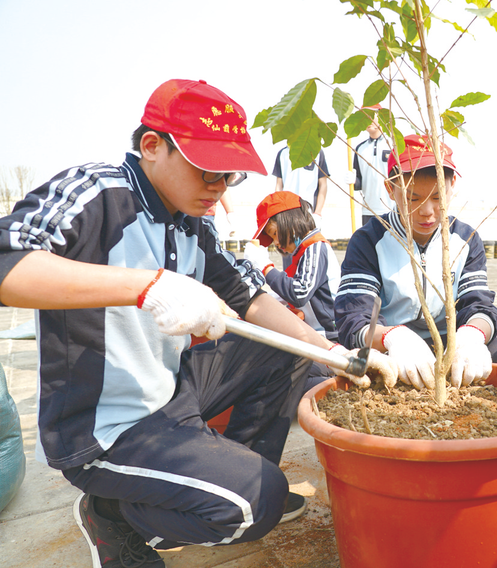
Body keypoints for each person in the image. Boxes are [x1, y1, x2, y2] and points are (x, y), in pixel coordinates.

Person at [0, 78, 394, 568]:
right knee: (257, 503)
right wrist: (145, 285)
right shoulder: (97, 194)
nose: (219, 188)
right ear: (152, 146)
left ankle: (207, 479)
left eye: (230, 176)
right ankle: (113, 513)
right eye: (208, 170)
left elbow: (252, 298)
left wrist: (329, 352)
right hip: (105, 422)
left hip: (171, 393)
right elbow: (7, 265)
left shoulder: (194, 220)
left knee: (284, 346)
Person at [335, 134, 497, 391]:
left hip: (451, 344)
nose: (427, 211)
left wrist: (472, 335)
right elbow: (354, 320)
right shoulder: (368, 241)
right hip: (390, 347)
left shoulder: (465, 239)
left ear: (452, 187)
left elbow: (479, 304)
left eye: (438, 197)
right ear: (390, 189)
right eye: (412, 199)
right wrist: (394, 337)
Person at [243, 191, 341, 340]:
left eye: (274, 233)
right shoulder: (302, 252)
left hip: (330, 336)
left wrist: (265, 266)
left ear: (290, 220)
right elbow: (284, 292)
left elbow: (299, 293)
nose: (275, 242)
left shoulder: (315, 248)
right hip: (316, 333)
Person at [351, 105, 393, 226]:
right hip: (368, 210)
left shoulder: (393, 145)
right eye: (363, 115)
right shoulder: (360, 149)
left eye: (370, 115)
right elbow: (359, 183)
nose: (367, 119)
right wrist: (353, 181)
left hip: (391, 209)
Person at [272, 145, 329, 230]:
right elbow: (279, 186)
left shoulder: (316, 151)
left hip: (310, 212)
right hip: (288, 212)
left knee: (310, 242)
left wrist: (317, 213)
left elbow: (323, 184)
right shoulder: (282, 154)